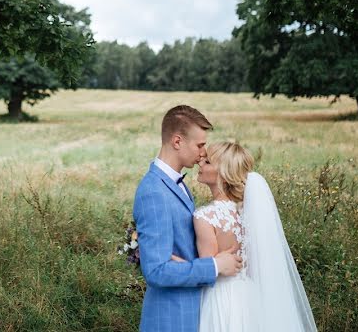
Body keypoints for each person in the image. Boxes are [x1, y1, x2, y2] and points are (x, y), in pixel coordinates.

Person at [132, 105, 242, 332]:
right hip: (172, 319)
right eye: (200, 145)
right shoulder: (154, 192)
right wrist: (214, 265)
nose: (203, 153)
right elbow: (156, 271)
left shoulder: (177, 185)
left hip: (195, 311)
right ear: (177, 141)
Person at [192, 141, 317, 332]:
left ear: (223, 175)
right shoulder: (249, 212)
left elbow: (207, 272)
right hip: (249, 296)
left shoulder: (204, 217)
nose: (200, 164)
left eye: (207, 162)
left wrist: (175, 260)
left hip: (221, 299)